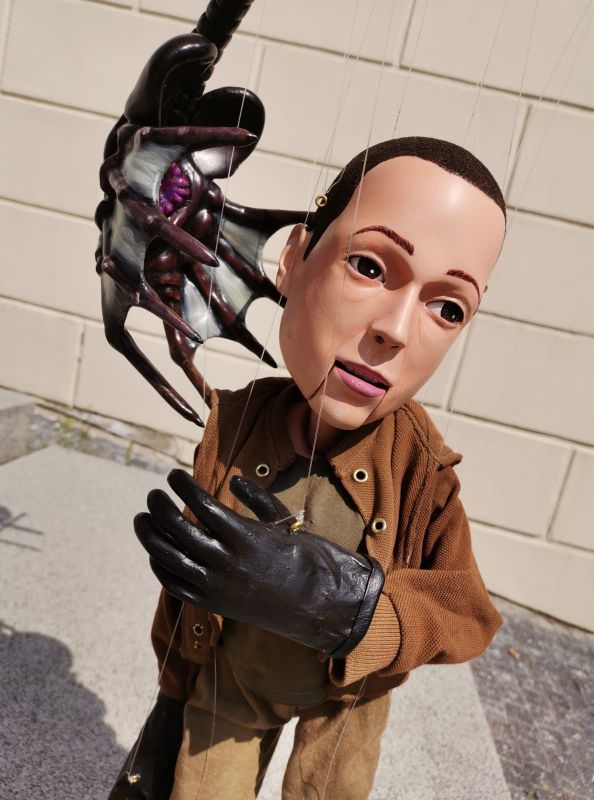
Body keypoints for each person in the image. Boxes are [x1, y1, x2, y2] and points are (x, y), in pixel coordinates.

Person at [111, 136, 506, 800]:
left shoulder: (421, 470)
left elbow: (469, 613)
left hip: (343, 708)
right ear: (294, 258)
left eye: (447, 308)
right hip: (232, 683)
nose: (395, 329)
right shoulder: (236, 422)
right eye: (369, 266)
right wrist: (172, 693)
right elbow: (189, 584)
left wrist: (354, 606)